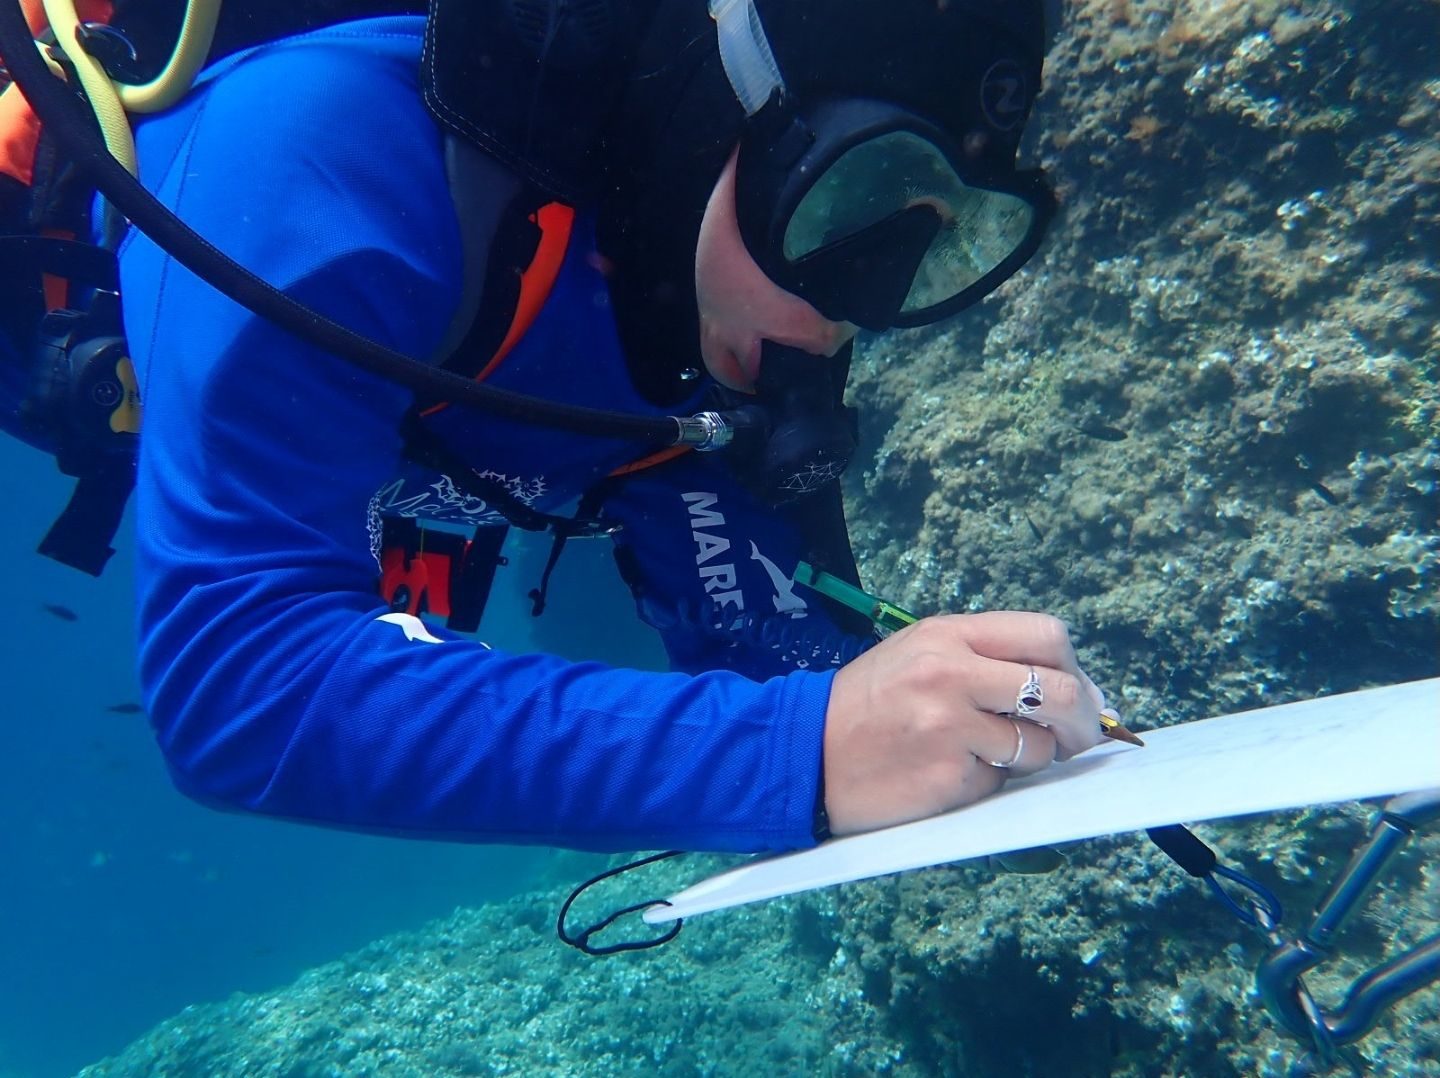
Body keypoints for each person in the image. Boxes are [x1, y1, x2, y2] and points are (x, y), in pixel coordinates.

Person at [109, 0, 1108, 852]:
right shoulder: (326, 163)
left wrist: (965, 745)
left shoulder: (730, 284)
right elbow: (240, 687)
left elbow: (791, 669)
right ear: (722, 103)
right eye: (851, 197)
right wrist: (792, 753)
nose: (858, 311)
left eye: (937, 237)